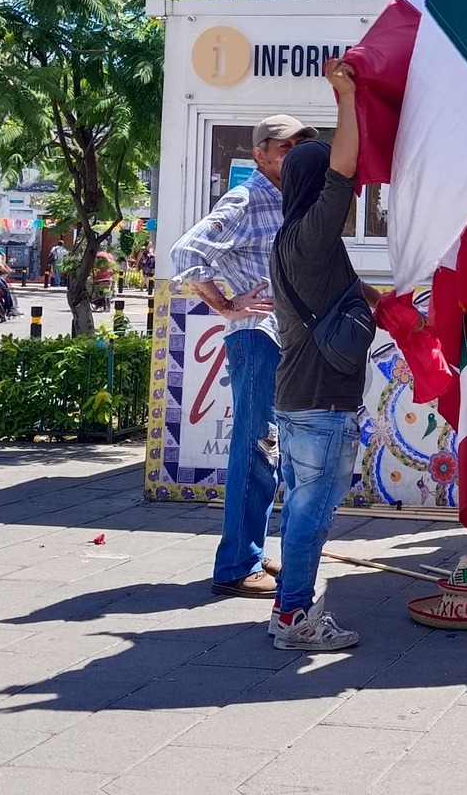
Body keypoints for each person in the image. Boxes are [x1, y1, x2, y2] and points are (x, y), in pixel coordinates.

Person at [171, 112, 315, 599]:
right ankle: (234, 566)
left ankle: (250, 552)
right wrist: (226, 305)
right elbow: (185, 252)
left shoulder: (287, 198)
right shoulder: (249, 197)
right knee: (256, 452)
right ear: (260, 153)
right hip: (257, 337)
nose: (293, 154)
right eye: (285, 147)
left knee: (271, 452)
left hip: (280, 338)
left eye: (300, 147)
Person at [267, 62, 374, 651]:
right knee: (310, 516)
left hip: (301, 399)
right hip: (319, 404)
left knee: (306, 508)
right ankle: (295, 619)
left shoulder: (297, 241)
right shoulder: (311, 236)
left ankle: (289, 609)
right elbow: (343, 172)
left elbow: (344, 294)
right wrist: (347, 97)